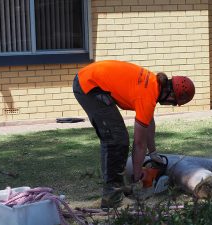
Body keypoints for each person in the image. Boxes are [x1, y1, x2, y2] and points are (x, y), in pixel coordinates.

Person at [73, 60, 195, 209]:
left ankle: (115, 192)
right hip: (89, 85)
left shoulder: (153, 84)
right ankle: (112, 197)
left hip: (91, 80)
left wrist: (153, 152)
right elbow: (139, 143)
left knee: (118, 137)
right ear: (171, 95)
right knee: (116, 139)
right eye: (174, 103)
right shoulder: (148, 96)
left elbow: (149, 122)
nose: (171, 105)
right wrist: (137, 179)